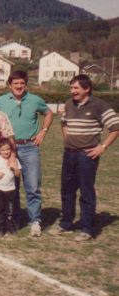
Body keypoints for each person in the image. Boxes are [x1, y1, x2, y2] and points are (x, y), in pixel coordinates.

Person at [49, 74, 119, 241]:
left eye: (76, 88)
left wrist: (102, 147)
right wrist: (67, 139)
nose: (72, 91)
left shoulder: (99, 105)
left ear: (87, 89)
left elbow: (115, 127)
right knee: (67, 190)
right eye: (71, 88)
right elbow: (64, 123)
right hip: (69, 153)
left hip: (87, 155)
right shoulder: (68, 104)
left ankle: (87, 228)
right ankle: (66, 222)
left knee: (86, 191)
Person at [0, 70, 53, 237]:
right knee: (11, 186)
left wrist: (43, 131)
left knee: (32, 186)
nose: (19, 86)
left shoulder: (35, 100)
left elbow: (49, 113)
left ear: (25, 84)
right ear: (9, 85)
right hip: (8, 150)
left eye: (22, 83)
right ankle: (15, 219)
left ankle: (35, 221)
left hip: (29, 147)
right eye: (15, 83)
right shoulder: (0, 101)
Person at [0, 138, 21, 237]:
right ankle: (0, 228)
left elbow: (18, 175)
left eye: (7, 149)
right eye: (3, 150)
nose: (6, 152)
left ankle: (10, 226)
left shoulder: (14, 160)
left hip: (10, 189)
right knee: (0, 210)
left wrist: (15, 168)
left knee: (9, 210)